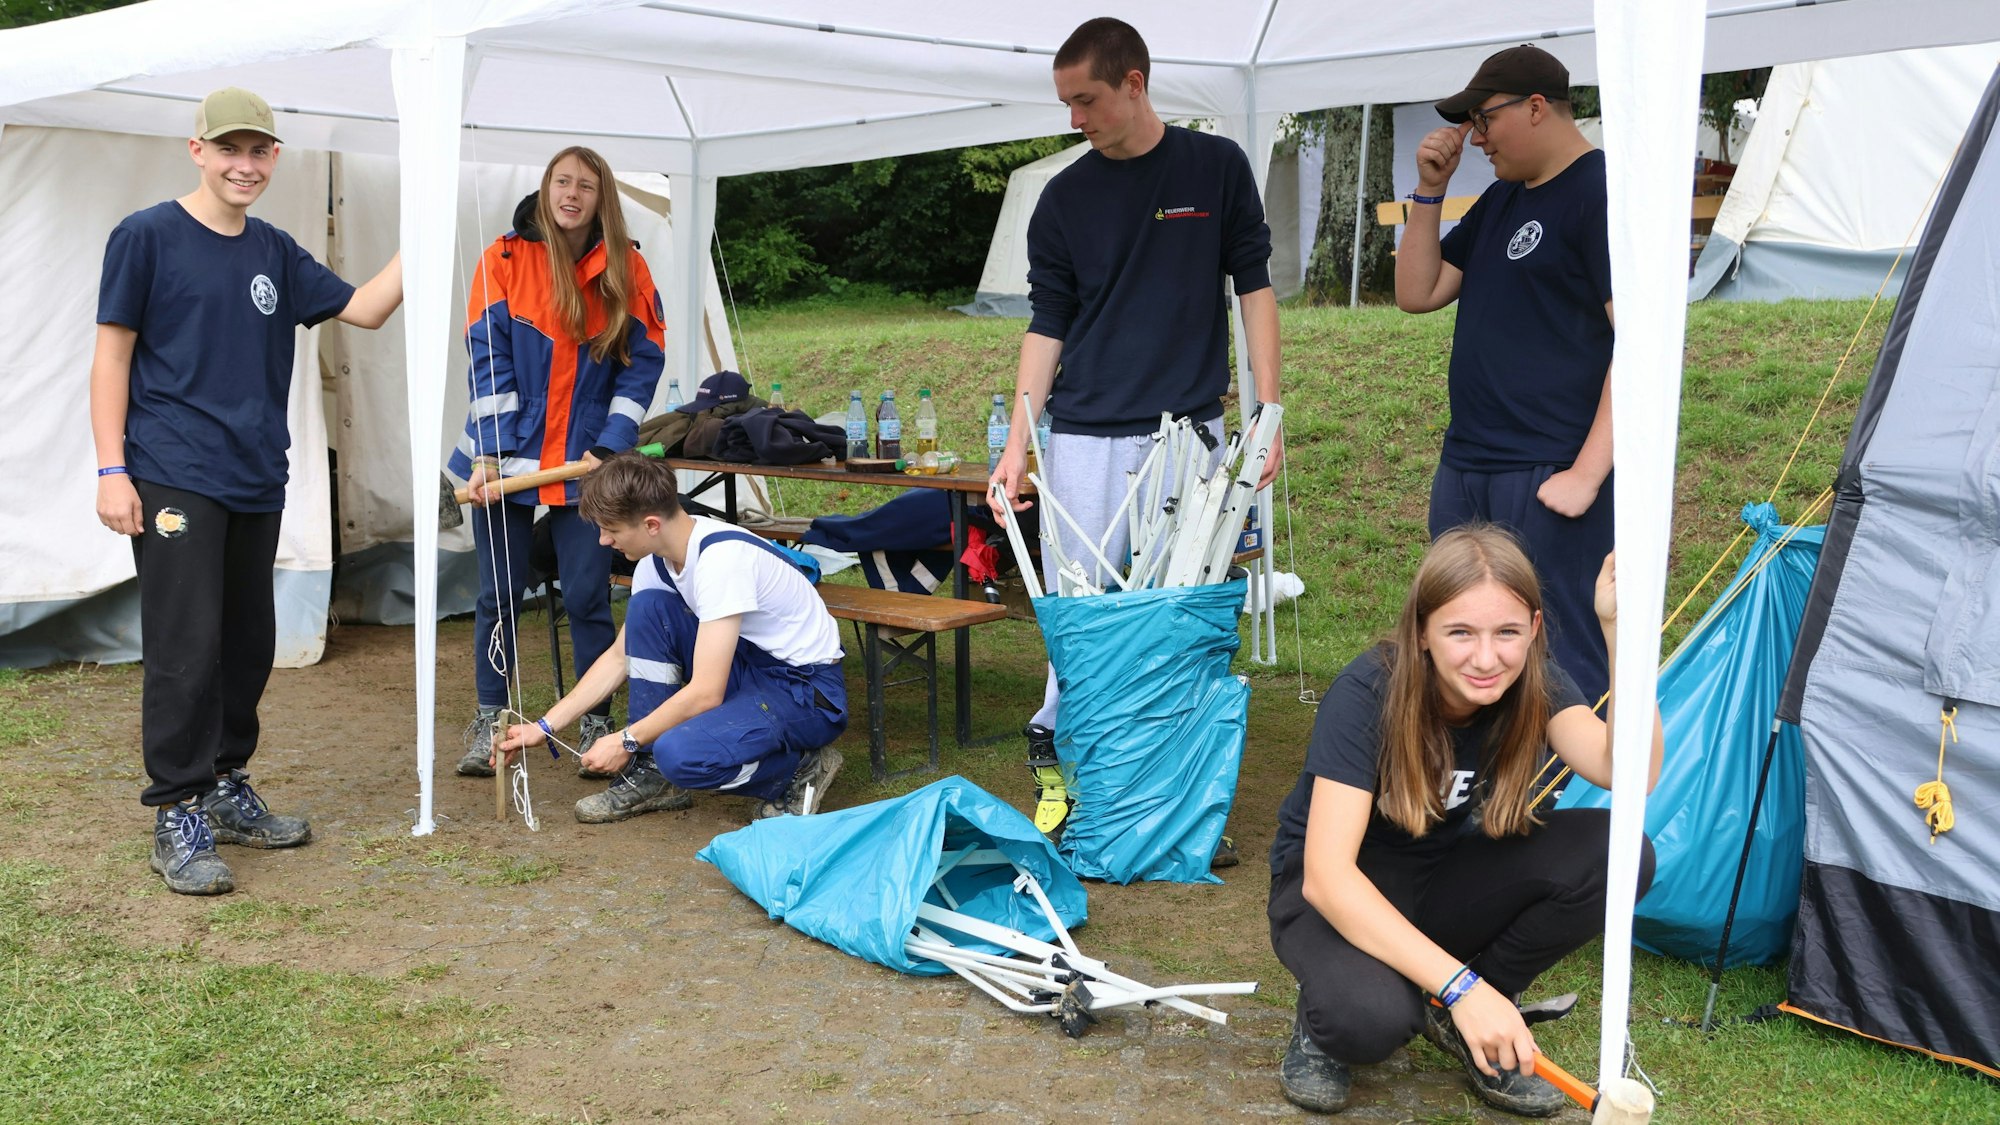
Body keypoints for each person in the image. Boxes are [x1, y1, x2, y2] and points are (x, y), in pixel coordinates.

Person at [91, 87, 404, 896]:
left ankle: (226, 784)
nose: (245, 164)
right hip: (170, 472)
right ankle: (176, 810)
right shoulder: (147, 237)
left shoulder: (273, 251)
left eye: (260, 150)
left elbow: (365, 309)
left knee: (247, 643)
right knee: (185, 646)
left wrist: (428, 238)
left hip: (256, 476)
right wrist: (110, 469)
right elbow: (111, 358)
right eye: (230, 149)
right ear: (197, 150)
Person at [986, 16, 1283, 845]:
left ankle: (1182, 802)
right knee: (1081, 619)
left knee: (1185, 619)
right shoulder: (1063, 198)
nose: (1073, 118)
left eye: (1086, 100)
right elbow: (1048, 323)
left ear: (1135, 84)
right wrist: (1019, 441)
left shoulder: (1215, 168)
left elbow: (1254, 287)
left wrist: (1268, 412)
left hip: (1190, 435)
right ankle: (1068, 769)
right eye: (1065, 102)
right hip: (1080, 437)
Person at [1266, 526, 1661, 1116]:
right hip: (1337, 894)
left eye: (1506, 633)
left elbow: (1631, 774)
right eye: (1460, 633)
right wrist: (1460, 985)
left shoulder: (1534, 683)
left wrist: (1620, 631)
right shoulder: (1367, 691)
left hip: (1441, 879)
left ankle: (1472, 1011)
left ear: (1532, 629)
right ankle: (1326, 1023)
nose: (1485, 658)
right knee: (1367, 1023)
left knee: (1620, 851)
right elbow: (1327, 876)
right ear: (1422, 632)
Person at [1393, 44, 1616, 705]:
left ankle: (1575, 798)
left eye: (1485, 120)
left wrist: (1587, 473)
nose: (1478, 137)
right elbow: (1418, 290)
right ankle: (1483, 795)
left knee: (1561, 652)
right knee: (1464, 647)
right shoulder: (1498, 200)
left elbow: (1640, 343)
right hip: (1469, 467)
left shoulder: (1600, 191)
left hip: (1550, 469)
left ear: (1538, 107)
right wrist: (1431, 188)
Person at [446, 146, 666, 782]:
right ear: (545, 188)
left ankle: (596, 721)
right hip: (507, 454)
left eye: (586, 186)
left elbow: (643, 359)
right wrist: (488, 451)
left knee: (588, 595)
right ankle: (492, 717)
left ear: (603, 199)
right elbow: (488, 358)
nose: (572, 194)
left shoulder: (627, 267)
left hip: (587, 460)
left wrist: (611, 440)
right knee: (498, 597)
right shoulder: (504, 259)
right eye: (562, 182)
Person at [493, 453, 848, 824]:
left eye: (610, 529)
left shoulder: (721, 560)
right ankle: (653, 775)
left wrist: (626, 739)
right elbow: (619, 658)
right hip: (749, 665)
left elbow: (708, 691)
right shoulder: (655, 561)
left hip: (805, 693)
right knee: (649, 610)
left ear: (650, 524)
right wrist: (544, 726)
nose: (602, 540)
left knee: (680, 756)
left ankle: (800, 769)